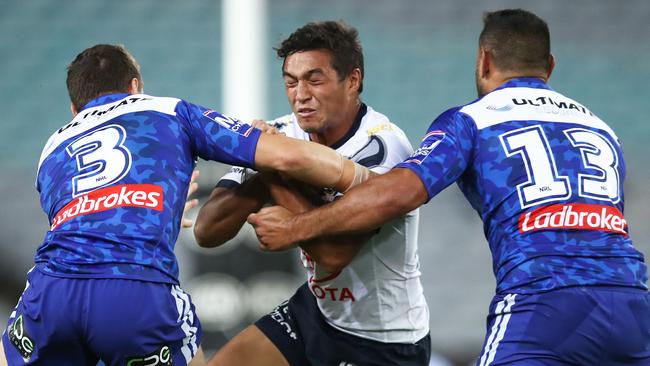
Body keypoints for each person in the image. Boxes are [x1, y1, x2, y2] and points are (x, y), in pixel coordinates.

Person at [249, 9, 650, 365]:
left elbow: (398, 193)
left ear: (484, 60)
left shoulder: (473, 119)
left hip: (544, 300)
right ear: (549, 65)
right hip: (633, 302)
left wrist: (294, 227)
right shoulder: (600, 127)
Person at [0, 44, 372, 366]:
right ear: (135, 88)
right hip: (134, 289)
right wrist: (365, 182)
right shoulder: (167, 110)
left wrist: (152, 215)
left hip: (51, 293)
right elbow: (285, 157)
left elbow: (83, 222)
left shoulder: (52, 149)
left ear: (73, 108)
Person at [194, 21, 431, 366]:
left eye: (314, 80)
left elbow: (335, 254)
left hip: (384, 338)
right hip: (316, 314)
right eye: (291, 82)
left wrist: (274, 166)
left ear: (352, 80)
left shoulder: (383, 147)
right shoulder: (281, 133)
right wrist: (268, 169)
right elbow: (207, 230)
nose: (300, 95)